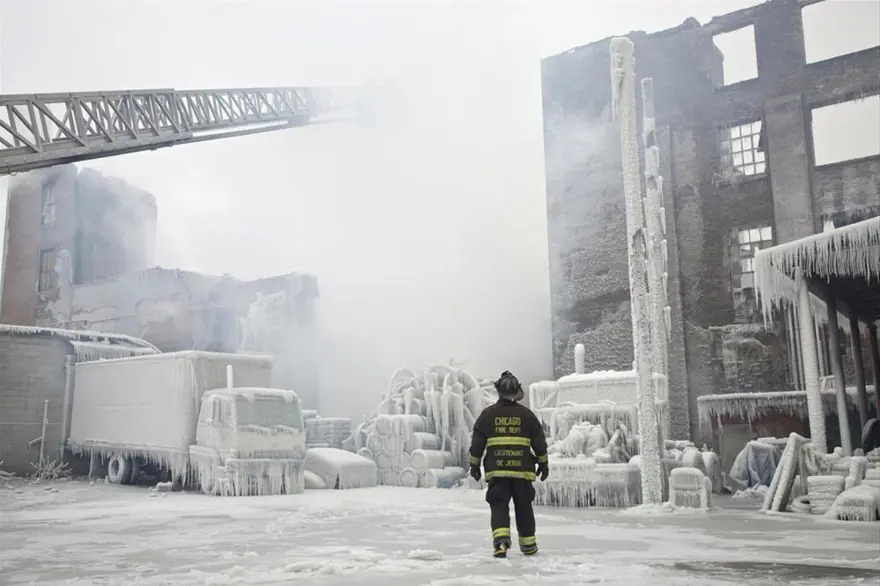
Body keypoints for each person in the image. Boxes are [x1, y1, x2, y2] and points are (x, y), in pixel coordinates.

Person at [468, 370, 549, 558]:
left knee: (498, 505)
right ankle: (528, 545)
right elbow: (539, 444)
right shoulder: (527, 416)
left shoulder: (487, 415)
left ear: (499, 391)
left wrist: (474, 466)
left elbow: (477, 445)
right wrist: (544, 465)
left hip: (497, 473)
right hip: (523, 472)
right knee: (524, 507)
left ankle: (501, 543)